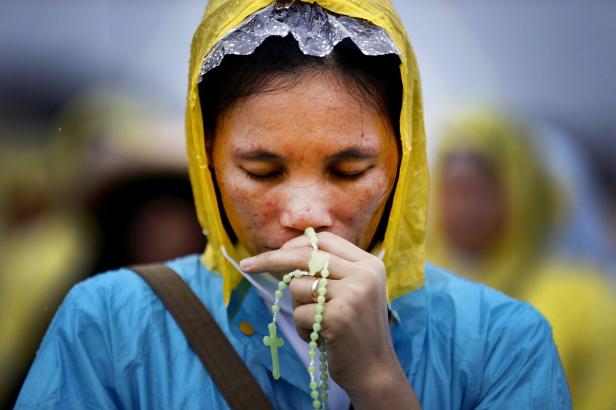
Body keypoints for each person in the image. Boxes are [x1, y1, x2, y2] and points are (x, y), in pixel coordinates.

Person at [16, 1, 571, 409]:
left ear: (405, 163)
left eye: (349, 170)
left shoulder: (504, 343)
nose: (305, 212)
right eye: (262, 171)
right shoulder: (111, 326)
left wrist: (379, 380)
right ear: (206, 159)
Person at [427, 110, 616, 409]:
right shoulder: (411, 291)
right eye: (453, 191)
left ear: (522, 195)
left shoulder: (586, 301)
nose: (465, 209)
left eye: (481, 192)